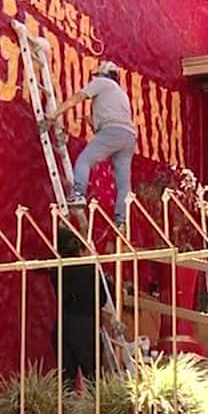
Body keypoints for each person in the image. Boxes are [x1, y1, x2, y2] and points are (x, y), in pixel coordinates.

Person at [43, 59, 138, 227]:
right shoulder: (121, 94)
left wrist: (55, 113)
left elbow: (78, 97)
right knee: (123, 182)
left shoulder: (101, 83)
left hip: (112, 131)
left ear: (103, 74)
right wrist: (92, 123)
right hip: (128, 137)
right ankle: (122, 221)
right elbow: (107, 127)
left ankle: (78, 193)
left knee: (84, 161)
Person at [49, 228, 117, 386]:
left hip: (64, 326)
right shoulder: (91, 270)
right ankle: (96, 409)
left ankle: (66, 410)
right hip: (87, 326)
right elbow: (104, 297)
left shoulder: (57, 271)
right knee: (94, 380)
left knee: (66, 383)